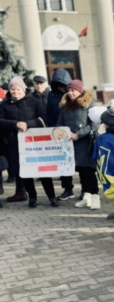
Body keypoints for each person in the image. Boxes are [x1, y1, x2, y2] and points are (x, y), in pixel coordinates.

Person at [0, 76, 55, 207]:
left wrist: (27, 124)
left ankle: (52, 197)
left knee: (42, 170)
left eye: (17, 89)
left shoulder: (34, 101)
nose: (15, 92)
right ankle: (32, 197)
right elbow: (0, 121)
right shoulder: (5, 104)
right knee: (24, 171)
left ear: (23, 89)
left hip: (36, 142)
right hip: (15, 143)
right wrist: (15, 124)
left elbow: (44, 119)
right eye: (12, 89)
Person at [56, 80, 100, 210]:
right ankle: (86, 197)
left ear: (80, 91)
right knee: (81, 169)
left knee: (89, 170)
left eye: (73, 90)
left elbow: (95, 124)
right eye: (68, 90)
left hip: (87, 142)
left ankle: (95, 197)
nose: (70, 93)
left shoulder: (89, 104)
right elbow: (60, 122)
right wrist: (62, 133)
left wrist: (78, 134)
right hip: (71, 143)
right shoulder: (65, 106)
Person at [46, 69, 74, 201]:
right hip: (57, 132)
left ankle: (87, 190)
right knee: (63, 162)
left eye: (64, 85)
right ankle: (68, 189)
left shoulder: (72, 94)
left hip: (72, 132)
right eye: (59, 85)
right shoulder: (51, 96)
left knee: (80, 164)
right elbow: (49, 113)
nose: (62, 88)